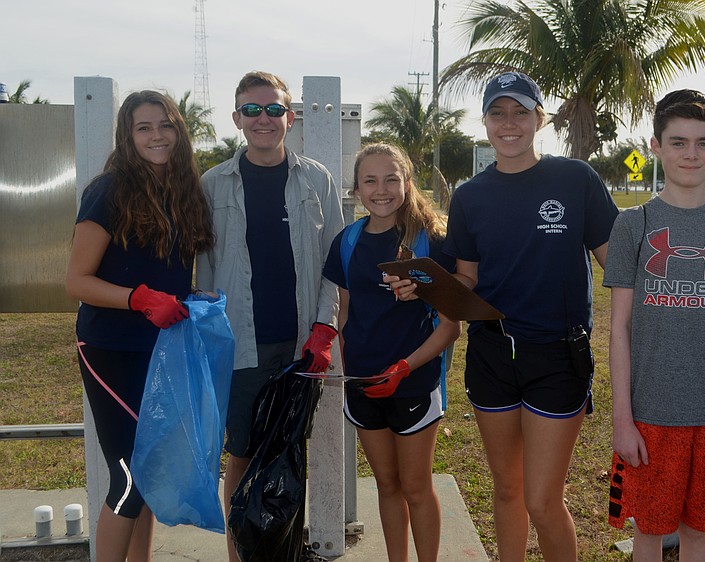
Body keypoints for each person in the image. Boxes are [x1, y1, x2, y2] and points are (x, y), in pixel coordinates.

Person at [406, 71, 619, 561]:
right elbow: (467, 279)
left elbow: (619, 267)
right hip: (492, 355)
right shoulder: (470, 196)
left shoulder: (574, 180)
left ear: (539, 118)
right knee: (507, 491)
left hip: (557, 354)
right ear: (484, 123)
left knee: (542, 502)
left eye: (520, 112)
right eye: (498, 113)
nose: (509, 123)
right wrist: (422, 286)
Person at [604, 89, 705, 562]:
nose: (690, 154)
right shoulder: (635, 224)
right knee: (649, 533)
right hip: (650, 417)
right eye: (678, 142)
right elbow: (619, 330)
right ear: (655, 146)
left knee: (699, 534)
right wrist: (622, 420)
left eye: (702, 142)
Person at [194, 70, 344, 562]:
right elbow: (203, 269)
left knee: (289, 451)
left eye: (274, 110)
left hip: (300, 344)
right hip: (239, 345)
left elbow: (333, 263)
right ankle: (240, 556)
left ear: (290, 117)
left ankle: (281, 551)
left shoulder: (317, 179)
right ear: (237, 118)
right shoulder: (211, 184)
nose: (264, 119)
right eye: (253, 110)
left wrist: (325, 328)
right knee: (240, 454)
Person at [66, 90, 214, 562]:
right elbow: (77, 281)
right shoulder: (107, 190)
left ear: (179, 130)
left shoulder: (183, 190)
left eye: (165, 125)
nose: (157, 136)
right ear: (127, 137)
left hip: (161, 347)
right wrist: (139, 299)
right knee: (129, 476)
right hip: (110, 348)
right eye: (143, 128)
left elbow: (163, 270)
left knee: (149, 471)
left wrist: (190, 299)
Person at [322, 143, 461, 562]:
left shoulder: (431, 241)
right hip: (365, 386)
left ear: (406, 182)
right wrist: (351, 369)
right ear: (357, 189)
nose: (381, 190)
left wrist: (403, 367)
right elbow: (345, 314)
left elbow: (451, 328)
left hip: (413, 381)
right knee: (386, 485)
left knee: (416, 488)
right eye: (370, 180)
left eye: (391, 179)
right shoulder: (347, 242)